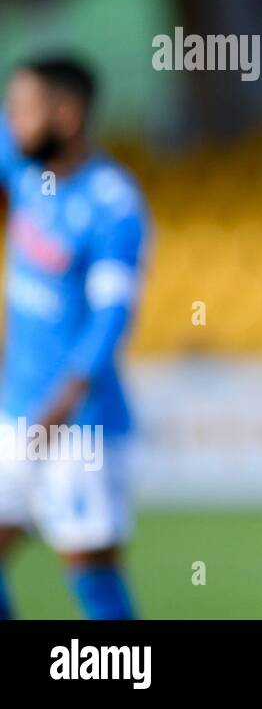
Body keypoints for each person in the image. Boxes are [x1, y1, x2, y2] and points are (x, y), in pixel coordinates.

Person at [0, 56, 149, 620]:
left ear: (66, 114)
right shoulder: (23, 167)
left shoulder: (112, 204)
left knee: (91, 572)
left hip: (78, 426)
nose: (11, 120)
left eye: (23, 108)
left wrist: (60, 404)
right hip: (14, 411)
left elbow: (113, 316)